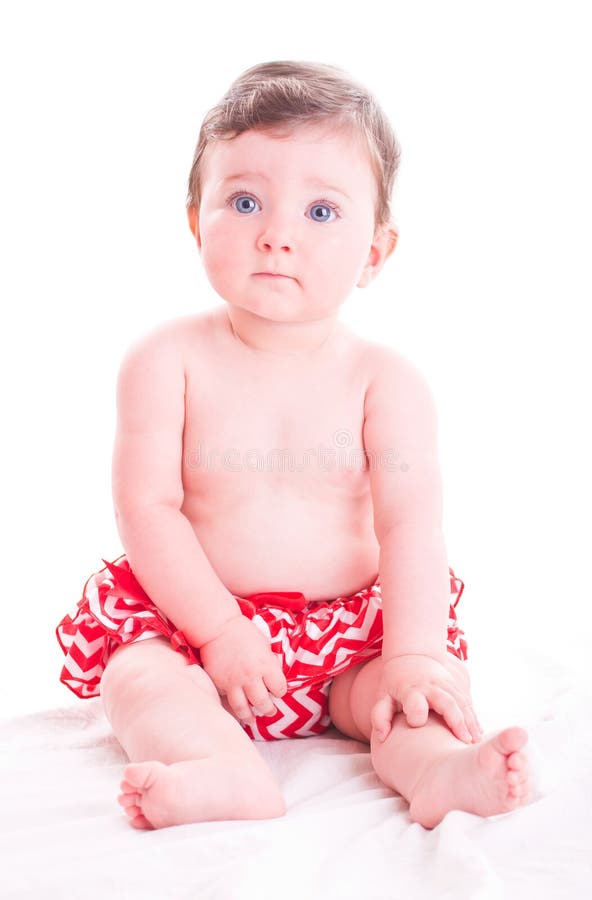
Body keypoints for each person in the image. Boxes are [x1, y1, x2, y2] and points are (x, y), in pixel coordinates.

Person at [56, 60, 530, 830]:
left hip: (348, 639)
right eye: (245, 202)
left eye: (320, 212)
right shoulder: (165, 362)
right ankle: (217, 765)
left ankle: (439, 772)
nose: (276, 235)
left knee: (401, 697)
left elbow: (411, 528)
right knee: (138, 677)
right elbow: (148, 509)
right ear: (193, 221)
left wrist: (413, 656)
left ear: (376, 251)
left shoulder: (386, 382)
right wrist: (216, 631)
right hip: (199, 626)